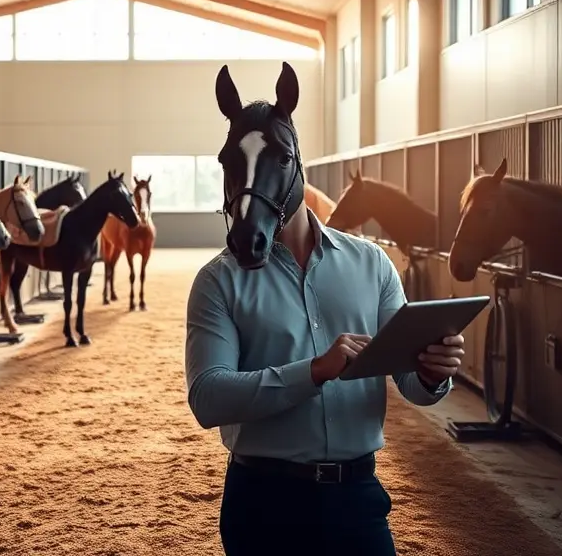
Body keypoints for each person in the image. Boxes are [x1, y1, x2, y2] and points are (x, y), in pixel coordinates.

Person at [184, 174, 466, 555]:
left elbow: (413, 384)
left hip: (357, 497)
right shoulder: (218, 280)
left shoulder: (373, 265)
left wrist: (432, 374)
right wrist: (313, 370)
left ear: (296, 167)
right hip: (263, 501)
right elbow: (208, 398)